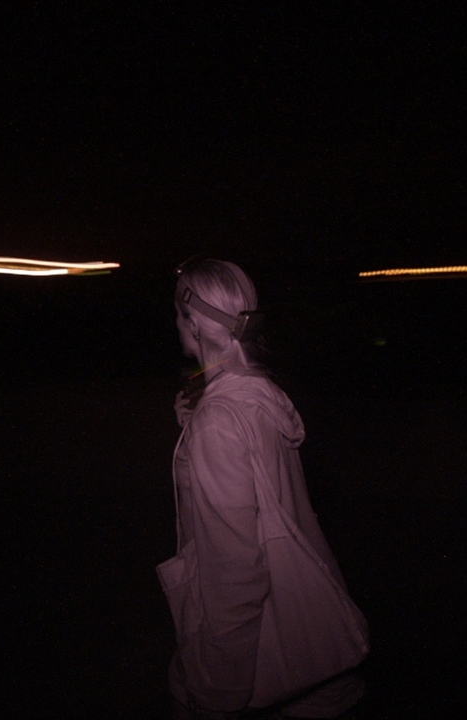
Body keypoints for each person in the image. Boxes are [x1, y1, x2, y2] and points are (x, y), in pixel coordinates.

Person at [159, 258, 366, 720]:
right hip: (308, 644)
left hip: (263, 668)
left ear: (193, 322)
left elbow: (235, 573)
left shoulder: (220, 420)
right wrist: (200, 432)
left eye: (177, 314)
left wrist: (219, 693)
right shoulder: (257, 392)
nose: (175, 323)